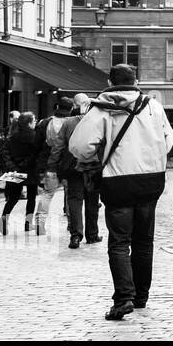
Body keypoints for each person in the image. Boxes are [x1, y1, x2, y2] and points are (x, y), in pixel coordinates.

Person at [69, 64, 173, 320]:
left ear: (109, 81)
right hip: (151, 179)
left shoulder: (102, 108)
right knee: (144, 241)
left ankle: (123, 298)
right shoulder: (153, 106)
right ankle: (141, 296)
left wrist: (100, 153)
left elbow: (79, 146)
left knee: (119, 242)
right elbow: (169, 140)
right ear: (136, 81)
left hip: (118, 180)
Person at [61, 94, 101, 249]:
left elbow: (59, 145)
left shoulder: (68, 122)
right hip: (93, 167)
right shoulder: (99, 122)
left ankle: (76, 235)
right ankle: (92, 235)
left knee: (75, 200)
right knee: (92, 201)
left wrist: (54, 166)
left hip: (74, 166)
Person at [32, 98, 76, 236]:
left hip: (49, 163)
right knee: (71, 195)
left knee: (47, 194)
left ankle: (40, 224)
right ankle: (71, 224)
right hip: (69, 163)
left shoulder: (45, 122)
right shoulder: (73, 123)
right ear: (71, 108)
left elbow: (36, 145)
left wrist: (39, 165)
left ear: (57, 106)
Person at [0, 113, 40, 236]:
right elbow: (33, 155)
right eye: (34, 120)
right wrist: (23, 165)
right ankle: (28, 224)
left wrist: (13, 167)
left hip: (14, 171)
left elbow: (5, 152)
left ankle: (4, 219)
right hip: (30, 170)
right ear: (29, 123)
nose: (35, 122)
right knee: (31, 197)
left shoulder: (12, 136)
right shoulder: (34, 137)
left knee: (13, 198)